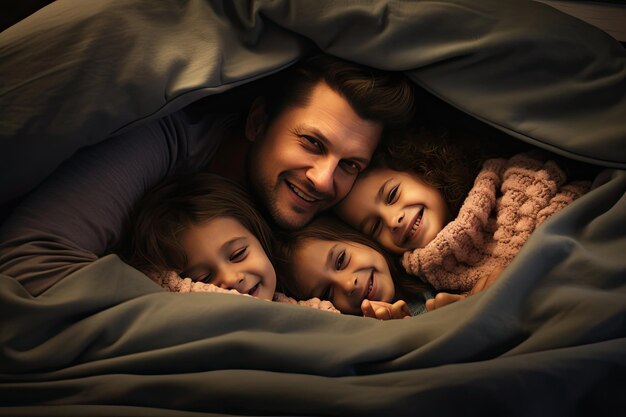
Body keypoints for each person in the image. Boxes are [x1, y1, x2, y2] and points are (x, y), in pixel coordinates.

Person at [0, 54, 415, 297]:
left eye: (350, 165)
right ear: (257, 122)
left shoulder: (317, 228)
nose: (324, 181)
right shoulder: (160, 144)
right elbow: (24, 265)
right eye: (311, 143)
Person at [335, 127, 591, 304]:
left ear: (421, 169)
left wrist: (520, 269)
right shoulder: (433, 286)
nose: (393, 221)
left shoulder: (517, 179)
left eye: (392, 195)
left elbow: (580, 203)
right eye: (375, 226)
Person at [276, 216, 435, 320]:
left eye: (341, 261)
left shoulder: (435, 270)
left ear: (359, 237)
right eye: (327, 293)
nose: (348, 285)